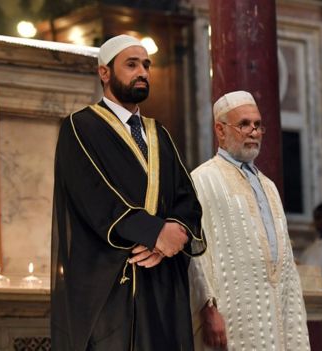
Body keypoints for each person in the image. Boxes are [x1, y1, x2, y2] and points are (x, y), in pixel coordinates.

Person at [50, 34, 206, 350]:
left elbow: (186, 196)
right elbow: (94, 197)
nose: (143, 73)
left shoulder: (158, 132)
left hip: (163, 276)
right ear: (104, 73)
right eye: (132, 64)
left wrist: (171, 236)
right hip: (112, 280)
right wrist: (153, 234)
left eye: (146, 65)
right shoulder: (80, 127)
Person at [188, 91, 309, 350]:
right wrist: (207, 308)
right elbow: (194, 253)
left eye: (257, 125)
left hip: (278, 309)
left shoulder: (269, 185)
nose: (253, 132)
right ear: (220, 131)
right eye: (244, 124)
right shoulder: (202, 180)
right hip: (232, 315)